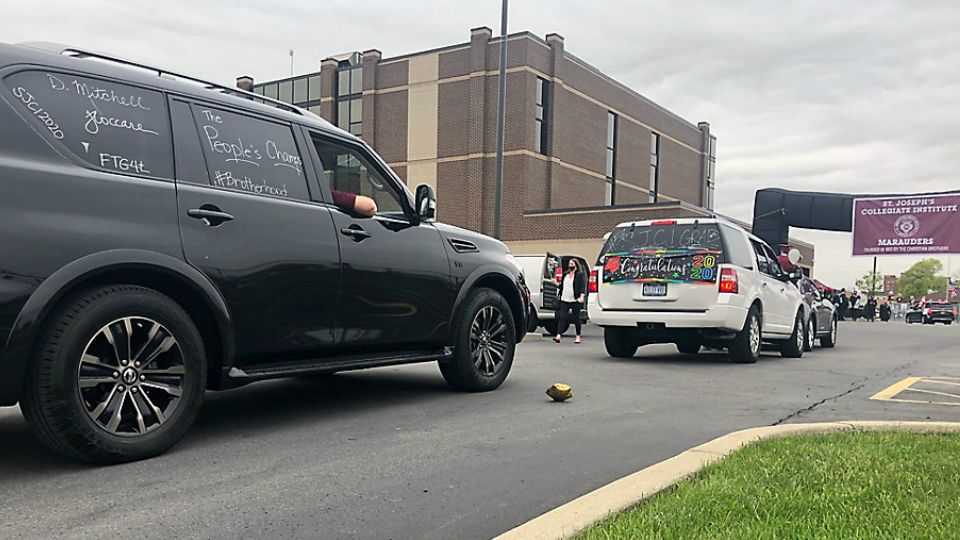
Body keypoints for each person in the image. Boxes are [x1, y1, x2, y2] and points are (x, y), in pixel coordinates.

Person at [554, 259, 586, 344]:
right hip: (565, 299)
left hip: (575, 299)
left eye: (572, 264)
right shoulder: (565, 275)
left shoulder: (579, 275)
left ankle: (578, 336)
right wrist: (556, 283)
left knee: (576, 318)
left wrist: (582, 296)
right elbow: (561, 286)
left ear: (576, 265)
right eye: (569, 264)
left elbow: (582, 286)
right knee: (562, 317)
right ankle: (558, 335)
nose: (570, 265)